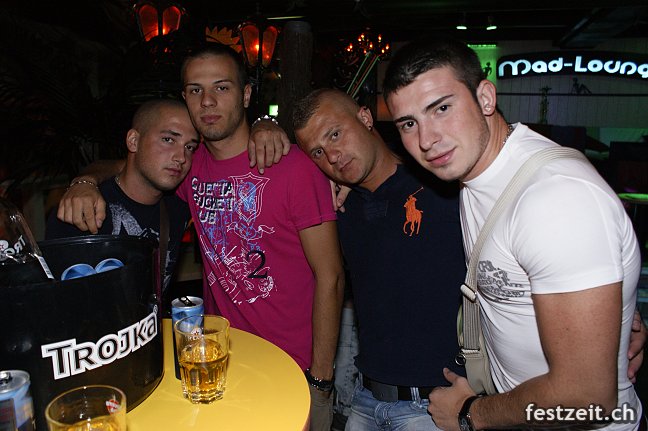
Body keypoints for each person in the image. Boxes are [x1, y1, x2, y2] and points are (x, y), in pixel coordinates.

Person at [58, 44, 345, 431]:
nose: (207, 101)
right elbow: (135, 163)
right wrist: (84, 180)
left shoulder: (293, 166)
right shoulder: (189, 168)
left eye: (221, 88)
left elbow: (331, 276)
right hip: (221, 364)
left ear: (245, 94)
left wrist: (321, 379)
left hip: (294, 368)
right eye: (195, 90)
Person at [382, 37, 643, 430]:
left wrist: (471, 414)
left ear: (485, 98)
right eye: (408, 123)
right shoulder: (475, 172)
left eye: (442, 108)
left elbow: (589, 399)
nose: (426, 139)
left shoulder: (555, 199)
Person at [293, 88, 466, 430]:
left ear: (365, 117)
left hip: (436, 406)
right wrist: (263, 126)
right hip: (364, 400)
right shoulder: (341, 207)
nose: (332, 155)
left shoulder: (442, 183)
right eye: (318, 152)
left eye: (335, 134)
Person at [46, 99, 200, 302]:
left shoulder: (179, 205)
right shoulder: (82, 208)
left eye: (189, 147)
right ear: (133, 141)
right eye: (168, 140)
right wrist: (84, 182)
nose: (181, 157)